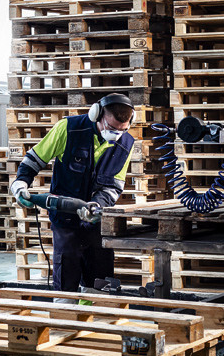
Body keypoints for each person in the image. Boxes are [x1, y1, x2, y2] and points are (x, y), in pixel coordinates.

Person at [10, 93, 136, 292]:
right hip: (65, 220)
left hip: (96, 221)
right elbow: (34, 159)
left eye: (122, 130)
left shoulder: (126, 143)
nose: (116, 135)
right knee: (66, 276)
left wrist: (96, 206)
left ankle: (93, 310)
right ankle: (64, 310)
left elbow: (114, 186)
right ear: (96, 114)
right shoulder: (68, 129)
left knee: (100, 279)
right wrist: (20, 184)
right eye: (111, 128)